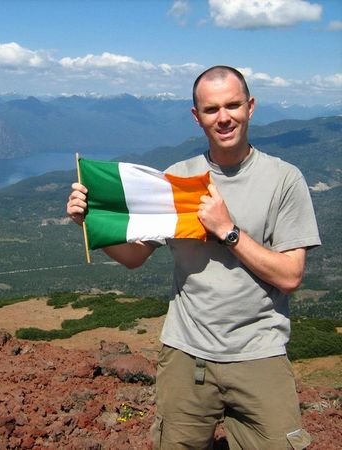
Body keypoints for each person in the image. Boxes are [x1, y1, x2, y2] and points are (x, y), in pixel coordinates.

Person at [66, 65, 321, 449]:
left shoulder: (284, 179)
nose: (224, 118)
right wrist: (90, 223)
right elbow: (135, 256)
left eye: (233, 105)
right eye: (211, 109)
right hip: (186, 356)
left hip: (259, 353)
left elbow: (289, 276)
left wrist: (228, 231)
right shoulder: (177, 180)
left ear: (250, 107)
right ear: (196, 116)